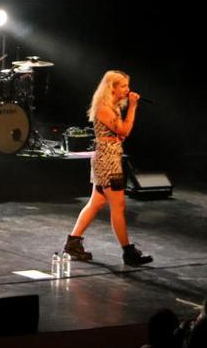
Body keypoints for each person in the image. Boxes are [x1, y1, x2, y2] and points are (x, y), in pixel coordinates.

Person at [62, 70, 152, 266]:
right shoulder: (104, 108)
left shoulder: (113, 107)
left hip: (110, 157)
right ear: (112, 87)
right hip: (107, 161)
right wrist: (134, 107)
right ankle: (128, 252)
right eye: (124, 86)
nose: (128, 90)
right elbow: (125, 130)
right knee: (118, 206)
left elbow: (119, 134)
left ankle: (73, 242)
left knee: (96, 203)